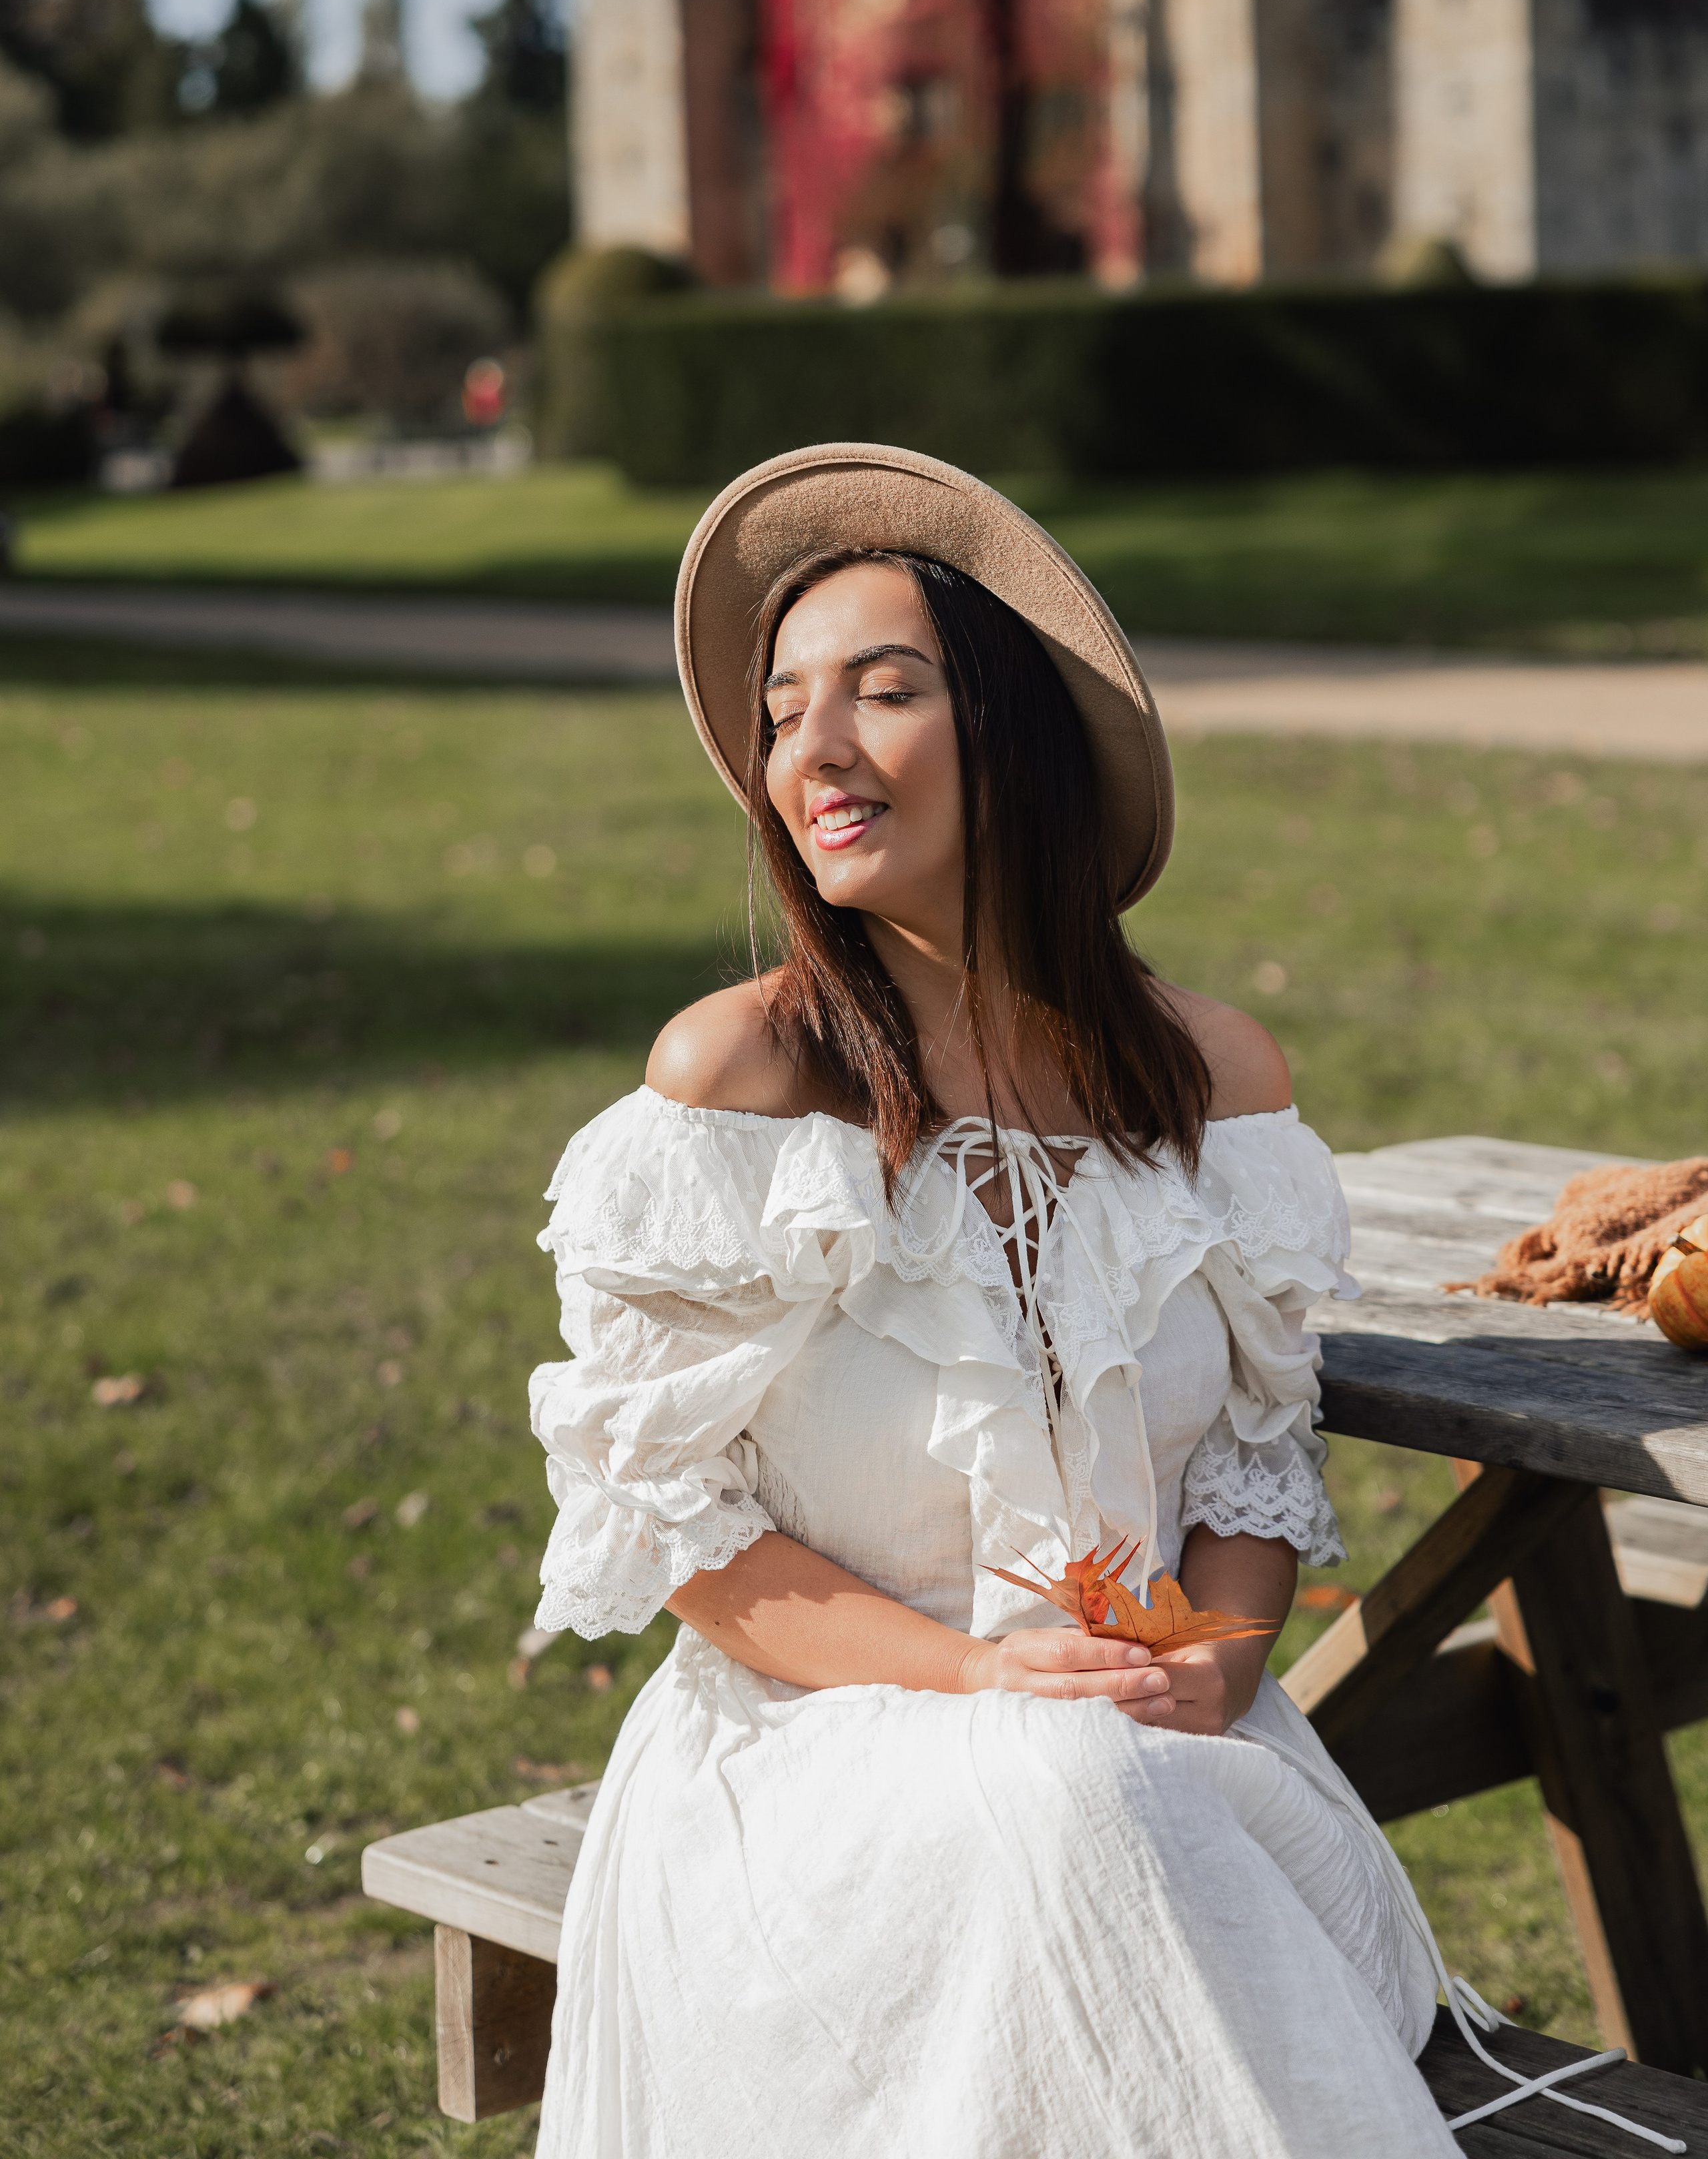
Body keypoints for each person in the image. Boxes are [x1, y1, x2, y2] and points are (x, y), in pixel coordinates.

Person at [524, 448, 1585, 2158]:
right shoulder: (741, 1083)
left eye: (884, 690)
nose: (815, 748)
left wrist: (1223, 1661)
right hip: (813, 1775)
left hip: (1156, 1759)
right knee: (1067, 1809)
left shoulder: (1209, 1085)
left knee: (1099, 1810)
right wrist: (979, 1684)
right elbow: (680, 1535)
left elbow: (1248, 1467)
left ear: (1015, 735)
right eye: (784, 709)